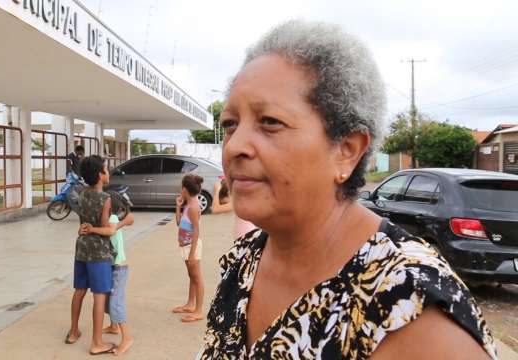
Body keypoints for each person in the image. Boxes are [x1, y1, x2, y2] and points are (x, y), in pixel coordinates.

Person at [197, 20, 497, 359]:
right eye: (230, 124)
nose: (236, 145)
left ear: (347, 150)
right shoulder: (244, 258)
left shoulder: (405, 303)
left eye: (269, 122)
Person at [65, 155, 115, 355]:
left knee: (79, 290)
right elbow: (105, 229)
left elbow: (83, 223)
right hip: (98, 253)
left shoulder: (82, 193)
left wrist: (87, 228)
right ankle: (97, 342)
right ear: (100, 175)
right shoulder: (105, 198)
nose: (108, 172)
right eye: (106, 169)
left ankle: (73, 331)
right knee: (99, 296)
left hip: (81, 248)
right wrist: (105, 229)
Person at [84, 190, 136, 356]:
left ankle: (127, 338)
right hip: (113, 267)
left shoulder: (112, 219)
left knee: (115, 304)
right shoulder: (110, 220)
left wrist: (92, 229)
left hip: (119, 269)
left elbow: (111, 231)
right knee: (106, 302)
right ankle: (114, 327)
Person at [172, 174, 205, 323]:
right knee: (192, 276)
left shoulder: (193, 206)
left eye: (181, 188)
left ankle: (199, 310)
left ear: (184, 189)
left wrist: (192, 253)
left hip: (192, 246)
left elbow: (197, 230)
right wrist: (178, 206)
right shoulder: (188, 204)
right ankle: (190, 304)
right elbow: (179, 223)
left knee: (197, 278)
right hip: (186, 246)